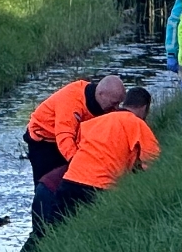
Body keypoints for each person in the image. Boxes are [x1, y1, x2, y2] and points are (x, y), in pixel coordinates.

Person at [47, 86, 160, 225]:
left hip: (71, 180)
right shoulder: (138, 124)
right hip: (102, 187)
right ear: (144, 108)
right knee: (92, 227)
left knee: (49, 230)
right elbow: (153, 162)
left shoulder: (94, 122)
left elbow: (80, 146)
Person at [24, 72, 125, 190]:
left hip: (72, 138)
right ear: (101, 94)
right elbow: (64, 137)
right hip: (44, 140)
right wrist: (78, 163)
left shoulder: (105, 103)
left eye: (119, 103)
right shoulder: (72, 100)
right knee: (48, 186)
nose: (117, 107)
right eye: (114, 103)